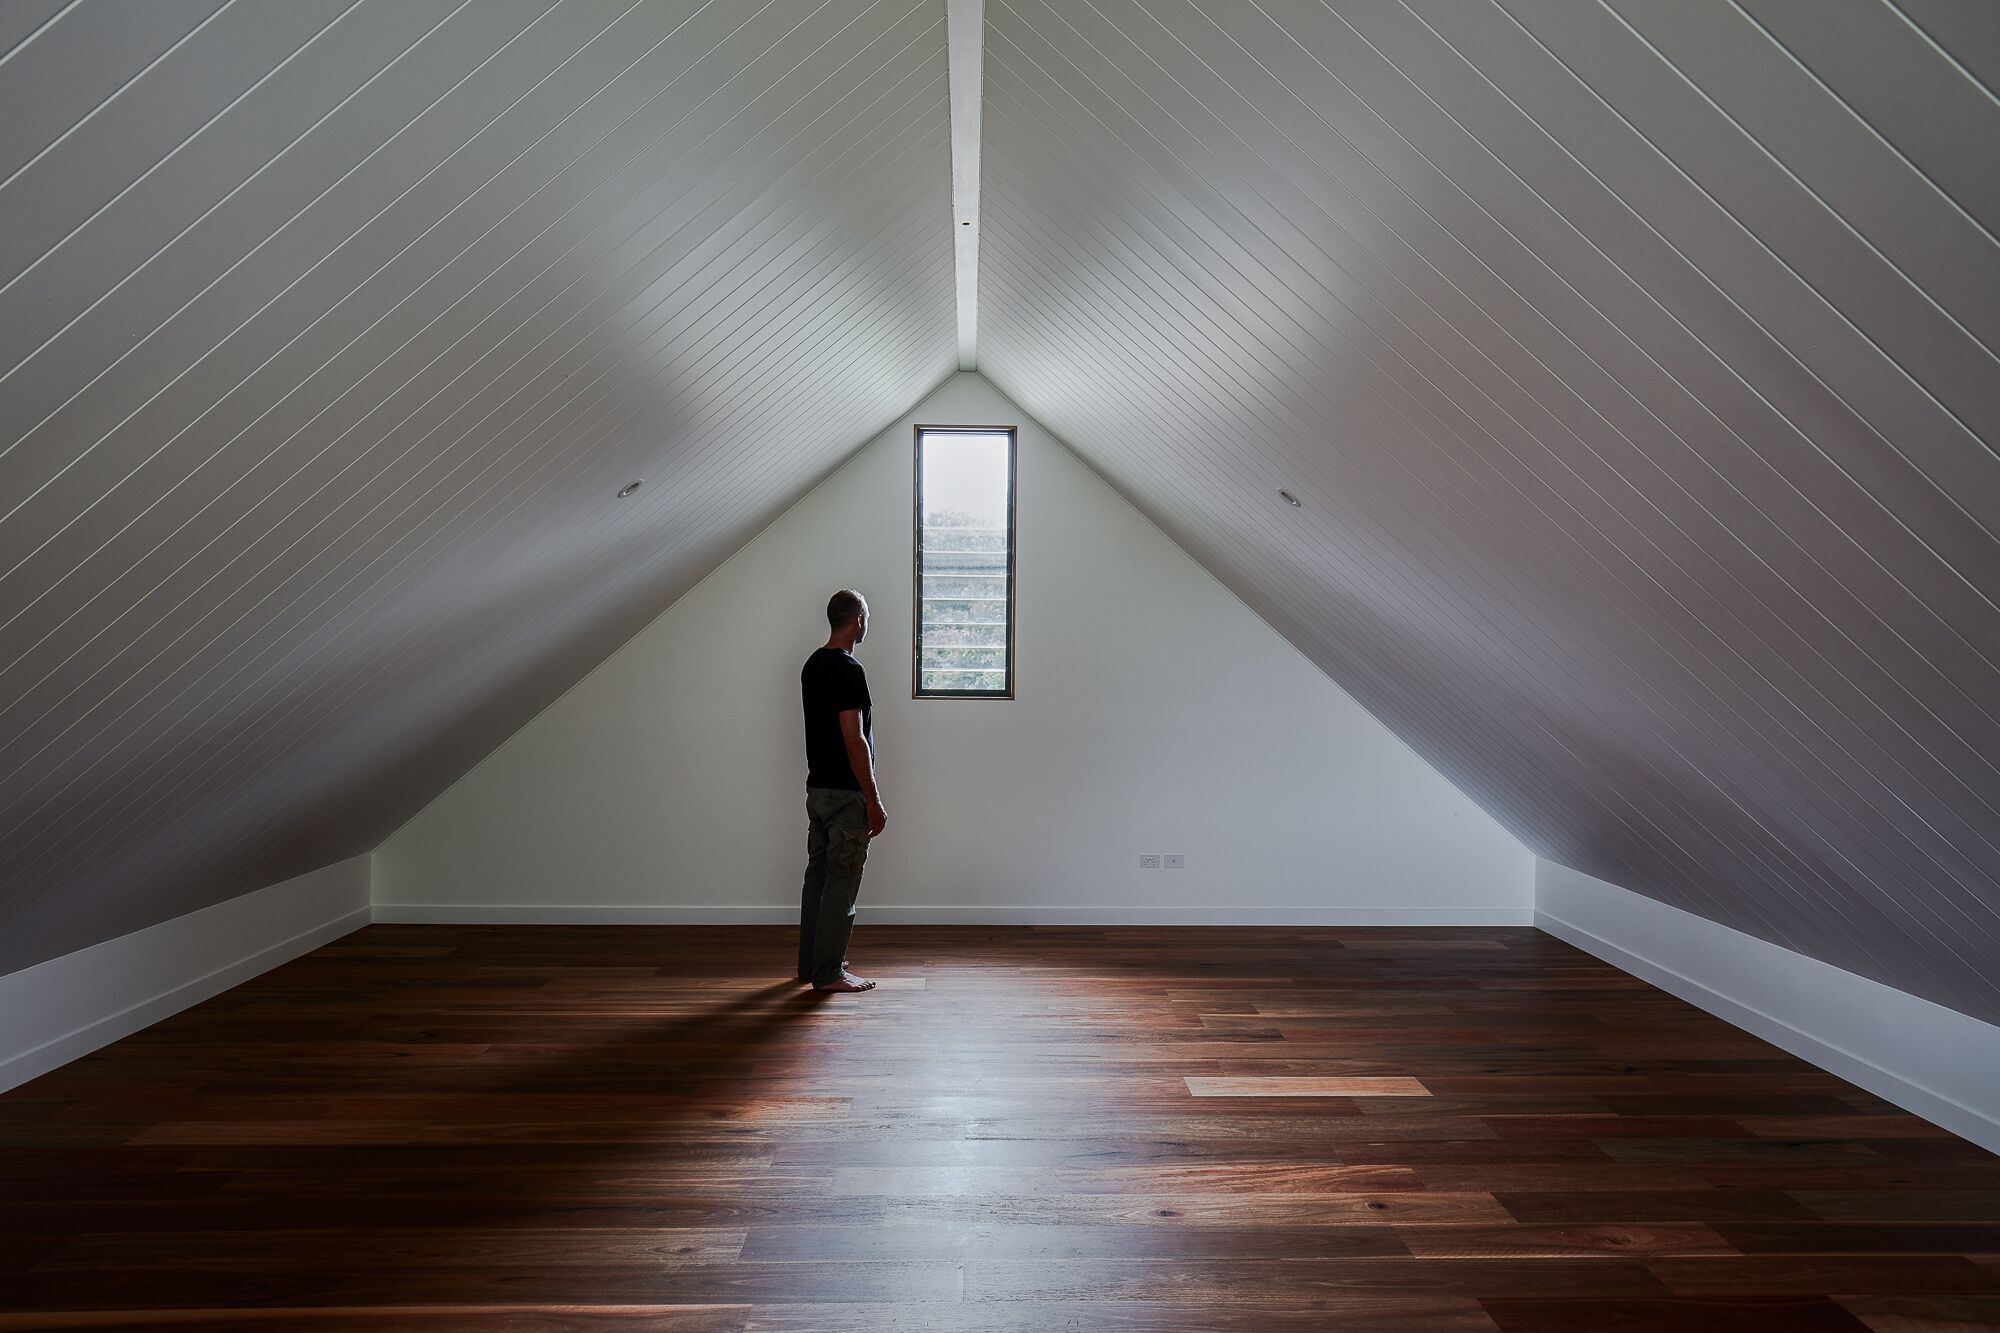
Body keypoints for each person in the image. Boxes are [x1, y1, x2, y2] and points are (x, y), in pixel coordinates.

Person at [797, 589, 887, 992]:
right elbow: (855, 739)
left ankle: (812, 964)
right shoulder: (850, 671)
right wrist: (874, 799)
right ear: (858, 621)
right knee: (841, 884)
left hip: (817, 790)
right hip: (846, 794)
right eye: (865, 617)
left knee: (817, 879)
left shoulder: (812, 665)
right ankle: (829, 974)